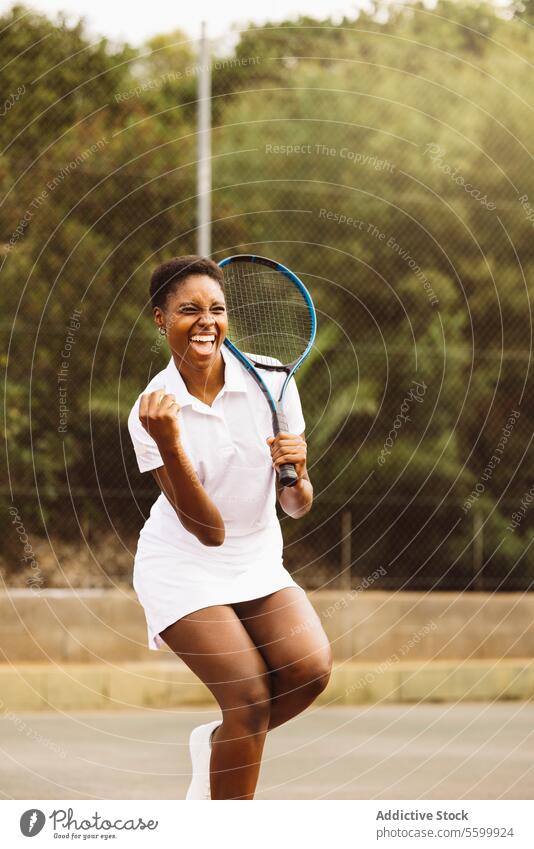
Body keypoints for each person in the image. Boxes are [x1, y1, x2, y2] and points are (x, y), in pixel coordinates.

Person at [127, 255, 332, 800]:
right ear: (159, 319)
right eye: (188, 310)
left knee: (310, 671)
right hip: (184, 563)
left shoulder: (273, 381)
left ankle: (217, 744)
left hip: (257, 559)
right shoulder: (151, 412)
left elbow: (296, 505)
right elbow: (207, 531)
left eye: (216, 309)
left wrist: (300, 472)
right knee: (247, 698)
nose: (206, 322)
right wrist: (170, 443)